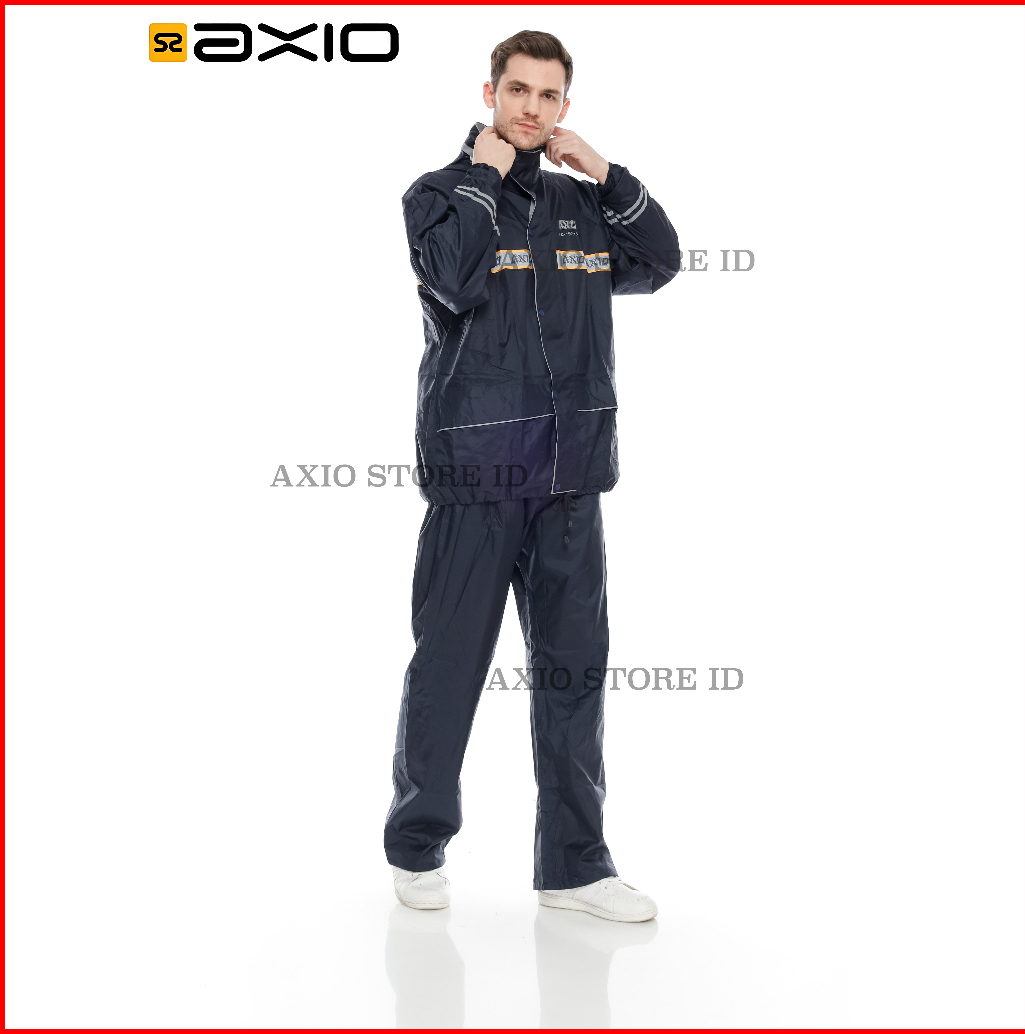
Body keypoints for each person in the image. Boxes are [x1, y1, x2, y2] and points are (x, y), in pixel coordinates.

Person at [384, 29, 680, 923]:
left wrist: (607, 174)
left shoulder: (580, 206)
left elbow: (661, 261)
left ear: (563, 108)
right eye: (518, 90)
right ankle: (417, 847)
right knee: (449, 670)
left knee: (572, 677)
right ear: (491, 94)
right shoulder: (439, 195)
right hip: (476, 479)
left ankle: (575, 868)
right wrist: (484, 174)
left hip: (571, 480)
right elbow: (454, 277)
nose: (532, 108)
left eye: (549, 97)